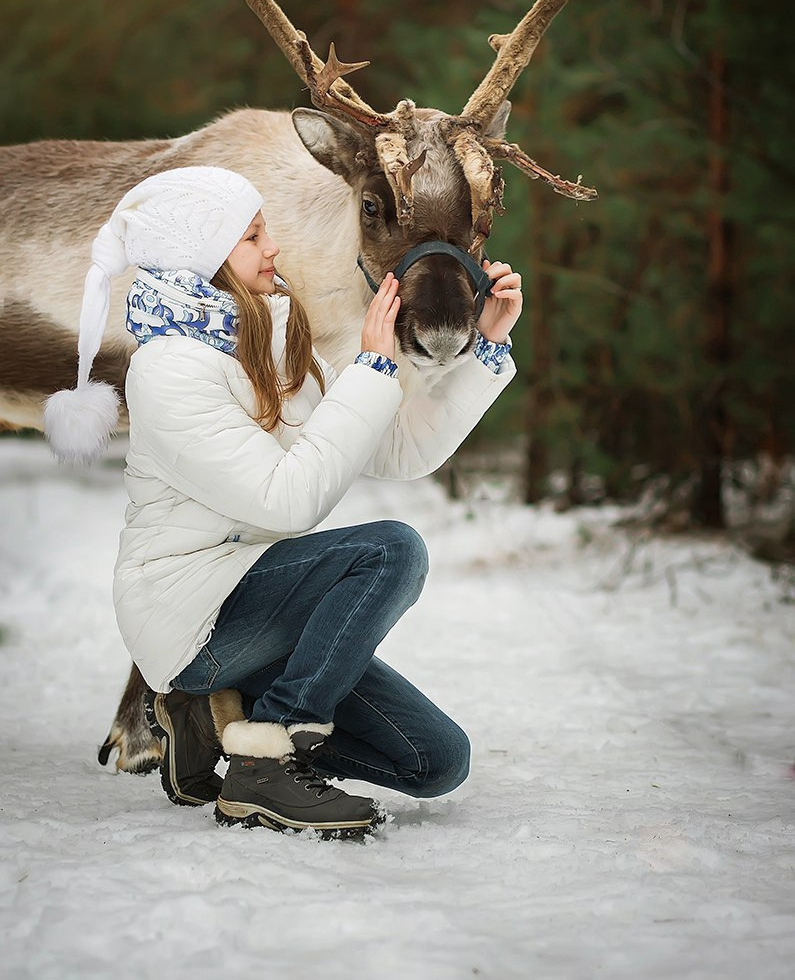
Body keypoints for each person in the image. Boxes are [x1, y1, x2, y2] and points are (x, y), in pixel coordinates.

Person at [44, 165, 521, 838]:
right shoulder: (170, 367)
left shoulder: (274, 332)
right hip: (192, 617)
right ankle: (263, 765)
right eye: (251, 236)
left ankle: (215, 724)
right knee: (389, 550)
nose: (273, 248)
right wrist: (374, 367)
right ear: (202, 256)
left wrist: (488, 347)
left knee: (434, 761)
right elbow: (286, 502)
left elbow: (398, 451)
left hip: (265, 603)